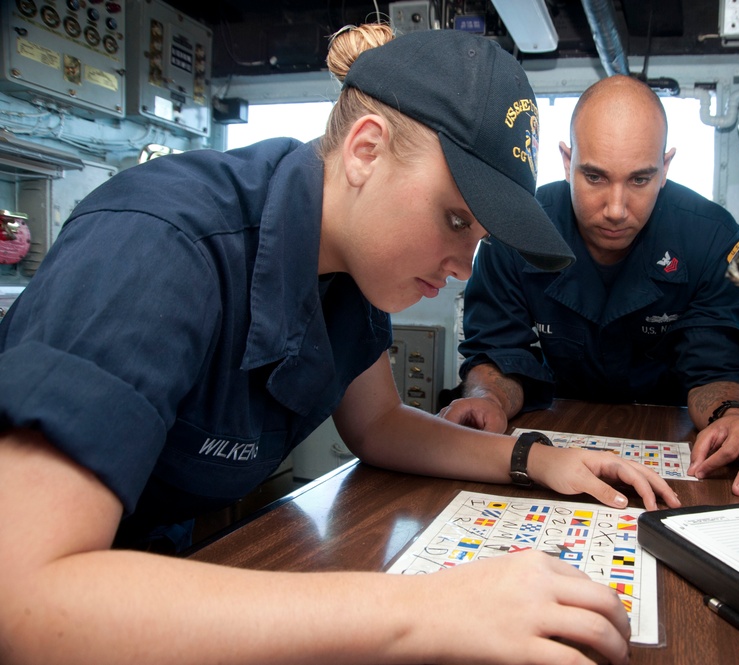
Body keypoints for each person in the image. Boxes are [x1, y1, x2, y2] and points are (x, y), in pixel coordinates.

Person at [0, 27, 679, 665]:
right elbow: (22, 600)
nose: (463, 266)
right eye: (452, 218)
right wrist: (427, 610)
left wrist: (535, 458)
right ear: (364, 150)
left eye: (476, 237)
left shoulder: (350, 272)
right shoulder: (158, 246)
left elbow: (379, 425)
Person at [440, 75, 739, 498]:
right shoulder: (516, 231)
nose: (616, 209)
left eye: (640, 180)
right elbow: (498, 352)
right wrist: (486, 397)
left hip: (673, 438)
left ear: (666, 167)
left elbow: (715, 365)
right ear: (567, 161)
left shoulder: (711, 237)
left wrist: (732, 414)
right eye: (595, 177)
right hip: (557, 439)